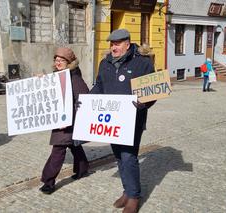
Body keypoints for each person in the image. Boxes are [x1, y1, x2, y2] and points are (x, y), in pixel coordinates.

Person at [90, 29, 156, 213]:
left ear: (127, 44)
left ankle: (134, 196)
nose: (113, 47)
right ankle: (127, 191)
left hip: (133, 119)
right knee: (118, 155)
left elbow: (152, 90)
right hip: (112, 120)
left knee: (128, 156)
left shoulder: (142, 62)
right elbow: (99, 86)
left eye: (117, 43)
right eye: (111, 43)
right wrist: (87, 100)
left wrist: (143, 103)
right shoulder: (105, 63)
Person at [39, 47, 89, 194]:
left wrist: (70, 114)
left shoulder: (74, 78)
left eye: (62, 60)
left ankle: (48, 181)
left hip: (68, 121)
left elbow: (84, 98)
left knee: (58, 149)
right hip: (59, 120)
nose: (58, 62)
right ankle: (83, 168)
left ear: (69, 62)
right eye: (56, 59)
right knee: (73, 145)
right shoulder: (57, 76)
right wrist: (41, 81)